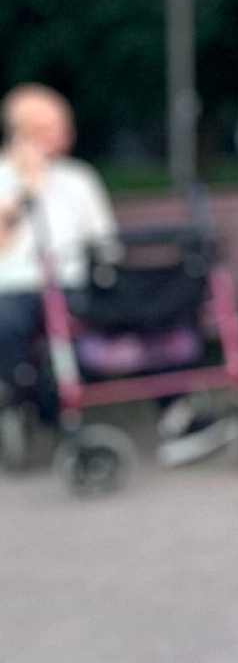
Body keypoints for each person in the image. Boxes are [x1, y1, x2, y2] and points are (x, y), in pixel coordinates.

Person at [0, 85, 117, 426]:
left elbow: (106, 243)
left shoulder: (79, 178)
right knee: (8, 322)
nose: (64, 135)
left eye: (64, 125)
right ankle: (31, 397)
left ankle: (45, 401)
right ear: (21, 133)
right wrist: (25, 191)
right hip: (12, 286)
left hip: (71, 282)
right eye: (49, 128)